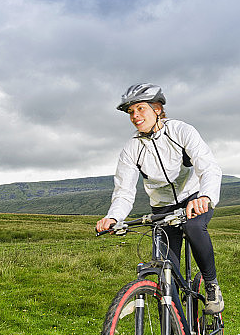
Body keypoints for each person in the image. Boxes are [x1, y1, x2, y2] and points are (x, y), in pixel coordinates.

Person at [96, 83, 224, 314]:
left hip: (194, 199)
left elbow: (209, 167)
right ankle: (174, 333)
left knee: (195, 227)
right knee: (165, 272)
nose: (135, 116)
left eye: (140, 109)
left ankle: (212, 284)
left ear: (157, 108)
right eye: (131, 112)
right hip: (162, 209)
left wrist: (204, 196)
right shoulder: (132, 149)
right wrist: (113, 217)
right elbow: (124, 191)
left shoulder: (181, 131)